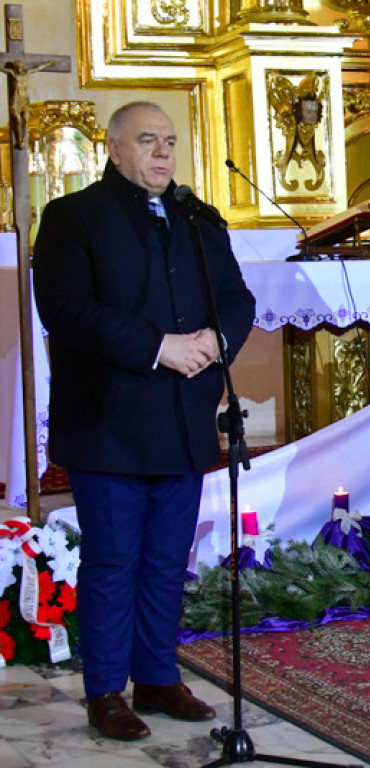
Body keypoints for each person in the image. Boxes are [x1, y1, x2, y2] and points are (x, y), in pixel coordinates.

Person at [33, 102, 256, 740]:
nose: (162, 153)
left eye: (170, 142)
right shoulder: (73, 217)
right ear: (113, 148)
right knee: (113, 561)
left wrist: (214, 340)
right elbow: (68, 310)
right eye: (147, 140)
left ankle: (157, 676)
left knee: (165, 560)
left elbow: (238, 298)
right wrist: (161, 346)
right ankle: (106, 689)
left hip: (184, 418)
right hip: (108, 418)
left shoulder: (198, 218)